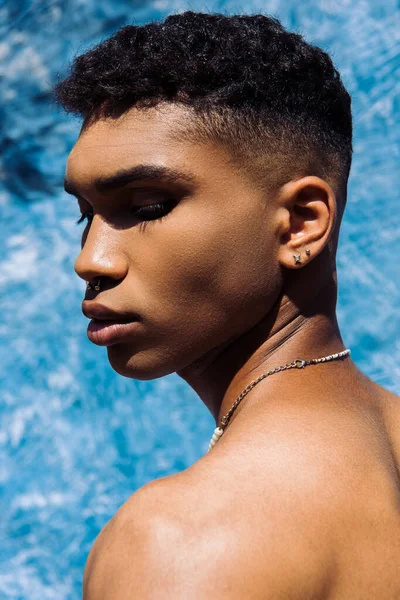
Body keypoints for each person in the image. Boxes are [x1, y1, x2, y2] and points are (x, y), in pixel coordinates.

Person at [55, 11, 400, 599]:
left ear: (299, 224)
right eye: (86, 215)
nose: (92, 260)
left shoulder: (182, 541)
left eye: (147, 207)